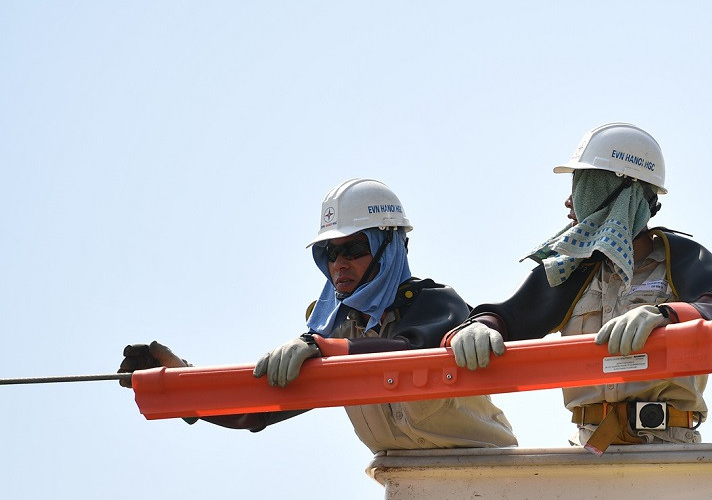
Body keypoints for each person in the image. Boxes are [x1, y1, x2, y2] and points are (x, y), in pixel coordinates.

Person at [119, 178, 517, 452]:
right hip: (408, 484)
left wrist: (326, 349)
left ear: (391, 247)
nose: (339, 264)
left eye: (355, 249)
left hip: (492, 473)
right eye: (329, 253)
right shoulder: (336, 331)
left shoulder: (436, 305)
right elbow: (256, 408)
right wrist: (180, 385)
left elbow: (404, 352)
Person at [445, 123, 712, 452]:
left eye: (581, 185)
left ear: (618, 189)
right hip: (590, 447)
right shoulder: (573, 270)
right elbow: (510, 318)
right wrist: (480, 327)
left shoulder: (680, 259)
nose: (568, 202)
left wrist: (667, 315)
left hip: (668, 445)